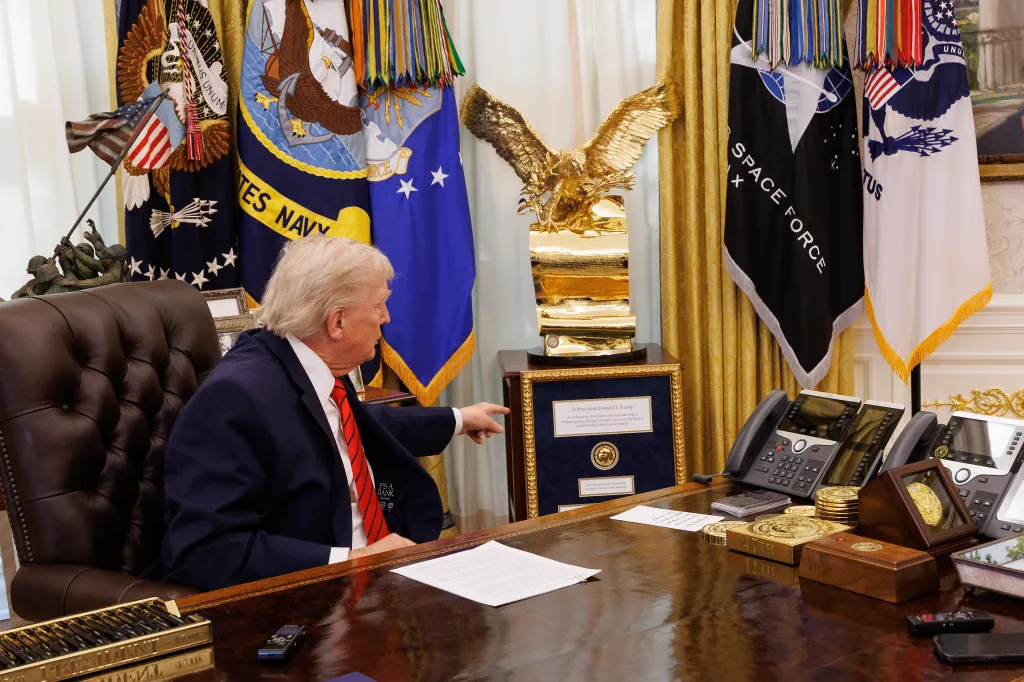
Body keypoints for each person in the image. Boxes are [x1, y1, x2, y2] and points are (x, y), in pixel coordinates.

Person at [158, 236, 509, 591]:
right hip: (316, 596)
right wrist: (354, 562)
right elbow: (206, 551)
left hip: (377, 579)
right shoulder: (235, 399)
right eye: (378, 306)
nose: (386, 317)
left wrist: (459, 418)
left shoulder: (307, 367)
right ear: (337, 322)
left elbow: (363, 428)